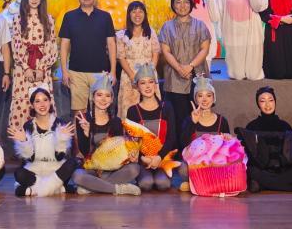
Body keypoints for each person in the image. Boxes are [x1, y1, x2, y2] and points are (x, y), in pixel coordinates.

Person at [236, 86, 292, 193]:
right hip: (262, 168)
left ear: (275, 102)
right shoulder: (252, 126)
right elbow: (250, 154)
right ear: (258, 104)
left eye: (271, 100)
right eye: (262, 101)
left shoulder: (285, 125)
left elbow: (291, 152)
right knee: (251, 171)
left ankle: (262, 185)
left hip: (283, 168)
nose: (267, 104)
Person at [73, 73, 141, 195]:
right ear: (93, 97)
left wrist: (130, 156)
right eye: (99, 95)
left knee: (134, 168)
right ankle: (119, 189)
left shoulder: (116, 121)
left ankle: (93, 187)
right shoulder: (83, 119)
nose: (103, 99)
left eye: (107, 95)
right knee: (77, 175)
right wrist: (87, 134)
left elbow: (119, 151)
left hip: (112, 169)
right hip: (93, 168)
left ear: (112, 99)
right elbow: (84, 152)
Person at [59, 0, 117, 113]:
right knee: (79, 113)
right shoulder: (69, 17)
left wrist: (113, 71)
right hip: (76, 73)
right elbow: (64, 45)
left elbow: (111, 44)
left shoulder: (105, 16)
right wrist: (64, 71)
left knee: (101, 111)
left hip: (101, 73)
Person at [8, 85, 78, 197]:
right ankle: (56, 188)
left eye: (45, 100)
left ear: (50, 102)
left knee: (72, 163)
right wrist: (24, 142)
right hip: (35, 170)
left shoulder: (60, 124)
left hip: (55, 169)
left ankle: (34, 190)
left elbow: (59, 157)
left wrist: (61, 140)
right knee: (19, 173)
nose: (42, 104)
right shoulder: (28, 126)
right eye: (37, 101)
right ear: (32, 105)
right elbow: (30, 159)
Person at [8, 0, 59, 131]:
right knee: (23, 104)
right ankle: (21, 141)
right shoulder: (18, 19)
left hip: (42, 69)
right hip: (23, 70)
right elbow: (16, 44)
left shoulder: (48, 19)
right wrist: (26, 68)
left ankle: (46, 139)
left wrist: (42, 68)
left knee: (43, 102)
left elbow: (51, 45)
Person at [215, 0, 268, 81]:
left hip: (252, 31)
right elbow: (219, 11)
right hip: (233, 32)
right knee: (237, 75)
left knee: (253, 74)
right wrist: (220, 33)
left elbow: (259, 7)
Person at [125, 63, 177, 192]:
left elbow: (172, 138)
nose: (147, 86)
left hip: (162, 158)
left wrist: (159, 157)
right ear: (137, 87)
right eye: (143, 83)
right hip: (143, 160)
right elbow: (132, 142)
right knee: (146, 184)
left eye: (150, 82)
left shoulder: (166, 107)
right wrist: (143, 158)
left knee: (162, 184)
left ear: (155, 84)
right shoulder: (133, 111)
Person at [158, 0, 211, 113]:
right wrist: (179, 69)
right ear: (173, 5)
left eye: (186, 2)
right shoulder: (167, 27)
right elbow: (166, 51)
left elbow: (205, 49)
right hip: (174, 78)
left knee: (200, 114)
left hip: (198, 75)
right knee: (177, 116)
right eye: (178, 2)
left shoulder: (200, 25)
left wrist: (190, 66)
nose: (182, 6)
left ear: (191, 4)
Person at [177, 77, 231, 192]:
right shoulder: (189, 120)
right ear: (195, 99)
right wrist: (193, 122)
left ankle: (196, 185)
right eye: (200, 96)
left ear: (213, 98)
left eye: (208, 95)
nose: (205, 99)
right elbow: (183, 144)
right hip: (195, 164)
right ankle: (207, 184)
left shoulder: (222, 121)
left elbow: (227, 149)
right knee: (183, 169)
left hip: (215, 164)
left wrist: (228, 139)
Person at [116, 0, 160, 116]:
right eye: (134, 12)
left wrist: (150, 72)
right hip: (129, 75)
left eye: (140, 11)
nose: (137, 15)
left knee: (150, 107)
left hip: (148, 74)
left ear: (145, 14)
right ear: (129, 15)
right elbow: (121, 57)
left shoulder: (151, 32)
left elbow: (155, 53)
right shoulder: (121, 35)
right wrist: (132, 76)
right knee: (129, 109)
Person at [185, 0, 219, 65]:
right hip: (192, 42)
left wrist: (211, 0)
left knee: (206, 71)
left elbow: (215, 18)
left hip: (207, 40)